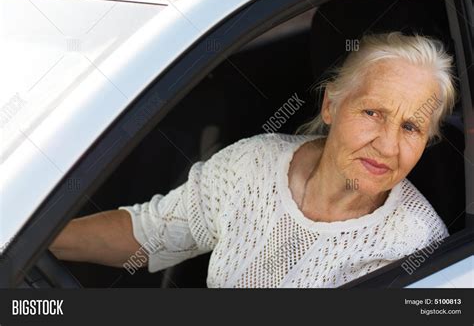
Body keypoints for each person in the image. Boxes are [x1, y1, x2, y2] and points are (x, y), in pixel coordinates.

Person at [50, 32, 455, 287]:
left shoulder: (416, 246)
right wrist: (33, 239)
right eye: (372, 114)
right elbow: (149, 233)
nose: (387, 145)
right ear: (331, 105)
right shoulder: (256, 163)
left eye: (411, 128)